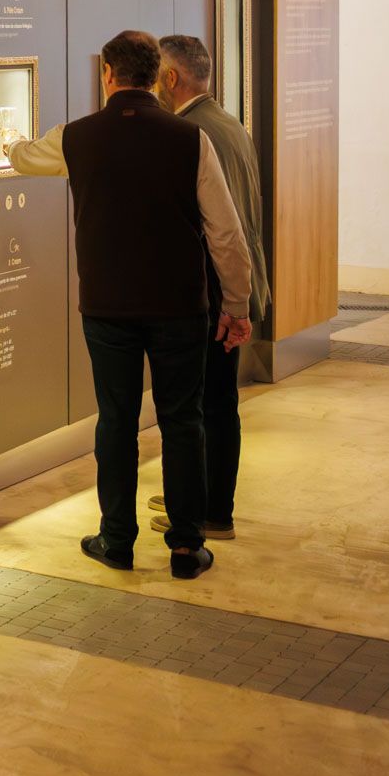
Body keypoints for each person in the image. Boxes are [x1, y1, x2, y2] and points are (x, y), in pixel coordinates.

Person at [4, 30, 252, 580]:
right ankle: (187, 547)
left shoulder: (77, 137)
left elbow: (25, 158)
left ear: (108, 75)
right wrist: (235, 303)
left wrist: (8, 145)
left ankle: (116, 539)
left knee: (115, 420)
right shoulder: (190, 140)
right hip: (180, 308)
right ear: (153, 76)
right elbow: (226, 234)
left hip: (107, 307)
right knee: (182, 421)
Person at [151, 34, 270, 541]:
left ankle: (211, 512)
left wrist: (230, 301)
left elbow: (217, 231)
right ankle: (199, 496)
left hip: (215, 292)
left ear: (171, 78)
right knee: (214, 401)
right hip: (236, 285)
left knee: (208, 404)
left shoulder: (189, 134)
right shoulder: (230, 126)